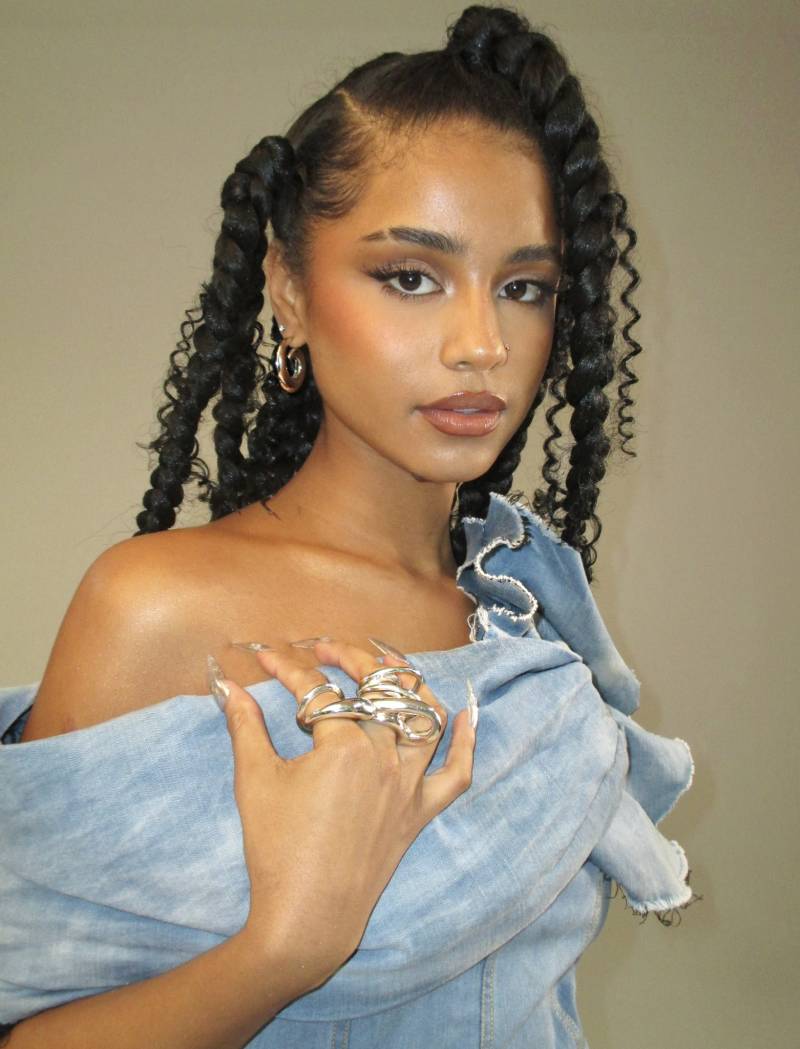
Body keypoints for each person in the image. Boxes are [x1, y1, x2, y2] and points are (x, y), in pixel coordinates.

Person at [0, 5, 696, 1046]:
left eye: (523, 287)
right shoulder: (156, 606)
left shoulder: (529, 618)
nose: (481, 343)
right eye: (411, 277)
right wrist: (285, 947)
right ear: (288, 290)